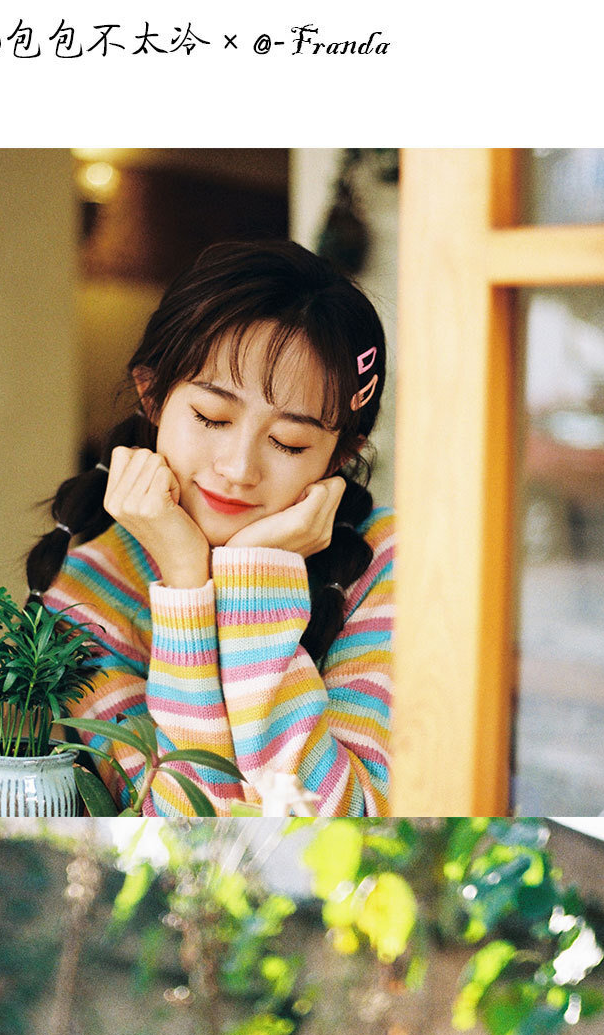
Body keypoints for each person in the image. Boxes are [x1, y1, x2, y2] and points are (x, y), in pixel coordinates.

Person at [25, 233, 392, 824]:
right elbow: (185, 833)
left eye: (289, 442)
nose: (239, 468)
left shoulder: (387, 562)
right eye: (211, 417)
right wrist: (186, 580)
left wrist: (255, 575)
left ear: (340, 455)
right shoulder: (86, 593)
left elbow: (340, 826)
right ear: (152, 394)